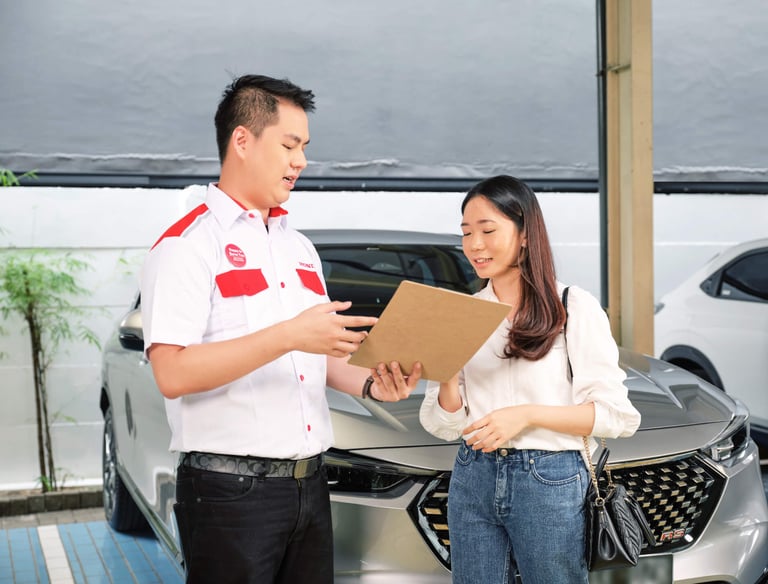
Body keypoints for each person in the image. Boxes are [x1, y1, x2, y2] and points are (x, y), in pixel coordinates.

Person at [140, 74, 420, 584]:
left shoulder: (298, 248)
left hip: (309, 486)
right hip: (228, 495)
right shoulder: (187, 245)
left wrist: (372, 384)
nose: (302, 161)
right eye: (289, 145)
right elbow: (172, 373)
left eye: (305, 147)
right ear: (242, 141)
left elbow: (316, 352)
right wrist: (288, 335)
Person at [419, 175, 641, 584]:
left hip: (550, 479)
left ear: (524, 235)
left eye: (487, 231)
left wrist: (525, 415)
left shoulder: (573, 306)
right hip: (473, 474)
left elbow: (617, 417)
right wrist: (446, 375)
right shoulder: (461, 314)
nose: (475, 245)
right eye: (466, 233)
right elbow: (445, 424)